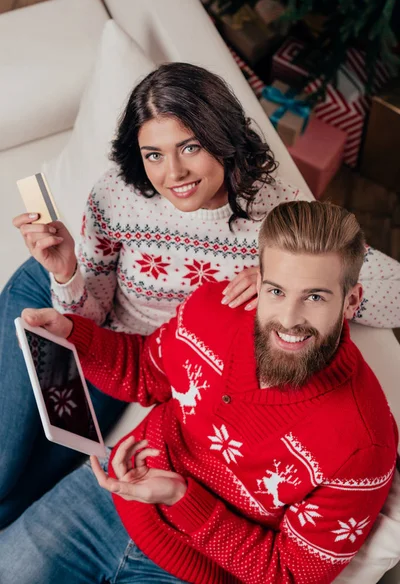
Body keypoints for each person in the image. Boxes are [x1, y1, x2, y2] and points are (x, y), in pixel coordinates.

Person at [1, 63, 399, 527]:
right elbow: (90, 313)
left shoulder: (276, 213)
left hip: (130, 354)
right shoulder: (118, 196)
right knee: (3, 464)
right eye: (153, 154)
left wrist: (279, 275)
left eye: (190, 147)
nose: (173, 174)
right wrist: (66, 269)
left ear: (222, 135)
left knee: (34, 484)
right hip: (58, 302)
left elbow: (389, 291)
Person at [1, 201, 397, 584]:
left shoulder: (365, 445)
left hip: (199, 572)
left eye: (314, 297)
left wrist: (181, 497)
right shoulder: (212, 307)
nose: (289, 320)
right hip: (112, 494)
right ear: (257, 282)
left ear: (351, 302)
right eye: (276, 292)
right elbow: (144, 372)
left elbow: (288, 574)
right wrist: (73, 335)